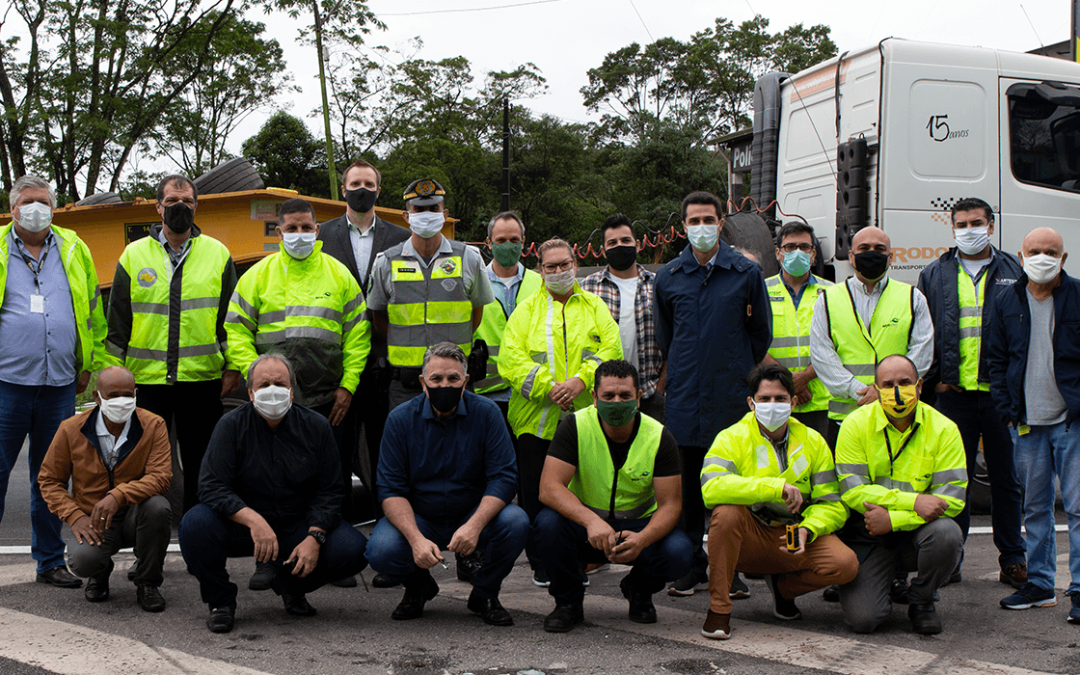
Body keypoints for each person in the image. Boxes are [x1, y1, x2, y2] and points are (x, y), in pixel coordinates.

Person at [178, 354, 368, 634]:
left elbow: (330, 490)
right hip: (245, 528)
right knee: (195, 524)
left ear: (292, 391)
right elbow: (210, 485)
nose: (272, 390)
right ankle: (221, 602)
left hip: (297, 524)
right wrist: (253, 520)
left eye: (280, 383)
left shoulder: (316, 426)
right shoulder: (230, 426)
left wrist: (315, 537)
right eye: (264, 384)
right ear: (251, 393)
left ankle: (290, 586)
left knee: (353, 549)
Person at [653, 191, 772, 597]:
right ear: (683, 226)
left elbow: (760, 336)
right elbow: (666, 337)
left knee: (731, 489)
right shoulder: (669, 277)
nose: (701, 227)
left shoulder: (745, 273)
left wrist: (734, 368)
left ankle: (731, 567)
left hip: (730, 400)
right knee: (686, 493)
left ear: (721, 223)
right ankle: (691, 567)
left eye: (709, 219)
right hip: (685, 399)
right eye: (694, 220)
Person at [225, 198, 369, 522]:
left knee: (332, 474)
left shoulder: (339, 275)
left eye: (306, 228)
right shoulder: (257, 276)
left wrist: (348, 386)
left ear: (318, 230)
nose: (300, 234)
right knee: (272, 475)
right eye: (292, 228)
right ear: (279, 232)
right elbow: (236, 330)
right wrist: (255, 374)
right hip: (273, 400)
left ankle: (334, 546)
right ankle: (274, 549)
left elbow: (358, 335)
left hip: (328, 401)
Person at [365, 342, 529, 626]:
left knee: (516, 522)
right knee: (380, 549)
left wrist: (475, 525)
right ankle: (419, 587)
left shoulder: (487, 414)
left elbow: (504, 477)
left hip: (470, 513)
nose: (445, 385)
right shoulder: (400, 420)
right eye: (436, 379)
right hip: (421, 517)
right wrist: (416, 540)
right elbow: (390, 488)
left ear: (465, 381)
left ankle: (485, 593)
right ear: (422, 382)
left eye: (453, 378)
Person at [0, 175, 109, 589]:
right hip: (6, 383)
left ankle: (48, 560)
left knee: (50, 479)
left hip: (60, 383)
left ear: (54, 206)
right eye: (27, 201)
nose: (35, 208)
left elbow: (91, 309)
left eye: (43, 201)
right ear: (12, 209)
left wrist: (89, 363)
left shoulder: (74, 247)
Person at [106, 174, 238, 515]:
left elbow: (229, 321)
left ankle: (198, 534)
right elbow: (118, 323)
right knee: (143, 465)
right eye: (172, 203)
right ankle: (146, 540)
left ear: (197, 205)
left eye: (187, 202)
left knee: (201, 465)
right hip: (146, 383)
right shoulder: (133, 255)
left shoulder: (217, 254)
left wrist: (234, 366)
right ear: (158, 207)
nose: (180, 208)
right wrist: (114, 378)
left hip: (202, 381)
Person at [699, 363, 857, 640]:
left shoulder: (814, 441)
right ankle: (719, 609)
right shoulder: (731, 438)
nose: (773, 405)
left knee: (845, 564)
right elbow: (711, 488)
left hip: (793, 535)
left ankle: (784, 590)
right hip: (751, 534)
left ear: (793, 402)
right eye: (765, 399)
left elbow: (832, 502)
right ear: (751, 403)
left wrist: (810, 528)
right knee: (726, 513)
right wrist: (774, 487)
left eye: (780, 399)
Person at [534, 359, 691, 633]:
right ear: (594, 398)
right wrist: (589, 521)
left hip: (638, 528)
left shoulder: (659, 436)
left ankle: (639, 590)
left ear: (639, 398)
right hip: (586, 528)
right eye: (608, 396)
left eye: (625, 396)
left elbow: (671, 505)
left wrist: (642, 539)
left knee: (680, 552)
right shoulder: (575, 426)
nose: (617, 402)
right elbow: (549, 488)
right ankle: (568, 603)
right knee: (546, 525)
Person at [916, 198, 1026, 589]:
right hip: (954, 395)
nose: (968, 229)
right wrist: (934, 381)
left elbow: (1023, 331)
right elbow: (923, 333)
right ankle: (952, 558)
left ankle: (1013, 559)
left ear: (991, 226)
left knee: (1007, 479)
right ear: (952, 229)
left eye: (976, 222)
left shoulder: (1014, 269)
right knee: (953, 480)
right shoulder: (935, 273)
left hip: (1000, 396)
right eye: (960, 224)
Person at [499, 238, 622, 586]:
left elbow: (610, 349)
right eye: (550, 267)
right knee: (538, 496)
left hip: (584, 422)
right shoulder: (525, 310)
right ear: (540, 270)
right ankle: (541, 564)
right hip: (535, 422)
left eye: (564, 265)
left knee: (581, 495)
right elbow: (511, 359)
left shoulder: (595, 307)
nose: (558, 272)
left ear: (575, 264)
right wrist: (550, 387)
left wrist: (581, 382)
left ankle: (578, 560)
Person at [835, 355, 966, 635]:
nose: (896, 391)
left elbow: (952, 500)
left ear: (919, 386)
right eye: (888, 384)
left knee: (947, 533)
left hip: (915, 533)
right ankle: (886, 579)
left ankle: (922, 599)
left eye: (904, 382)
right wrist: (915, 501)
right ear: (876, 388)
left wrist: (893, 520)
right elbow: (852, 491)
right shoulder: (854, 425)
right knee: (864, 620)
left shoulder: (944, 429)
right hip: (870, 534)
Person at [988, 226, 1080, 622]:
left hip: (1071, 422)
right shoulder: (1006, 298)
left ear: (1063, 258)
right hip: (1025, 423)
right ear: (1021, 256)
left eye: (1051, 251)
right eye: (1034, 250)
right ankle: (1042, 584)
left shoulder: (1078, 296)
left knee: (1078, 509)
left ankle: (1079, 590)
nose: (1042, 257)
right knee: (1036, 508)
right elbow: (996, 359)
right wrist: (1007, 409)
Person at [37, 366, 171, 611]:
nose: (121, 401)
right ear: (97, 398)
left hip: (134, 515)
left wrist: (119, 495)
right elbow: (49, 480)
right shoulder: (70, 429)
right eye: (113, 396)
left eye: (127, 395)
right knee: (83, 561)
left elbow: (161, 477)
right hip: (93, 520)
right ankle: (99, 573)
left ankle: (148, 582)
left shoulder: (153, 425)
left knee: (158, 508)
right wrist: (74, 516)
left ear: (136, 394)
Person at [317, 159, 409, 512]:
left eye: (369, 185)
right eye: (355, 184)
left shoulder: (400, 238)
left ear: (378, 191)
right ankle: (335, 520)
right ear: (343, 189)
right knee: (336, 442)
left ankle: (388, 514)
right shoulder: (321, 236)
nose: (362, 190)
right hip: (336, 361)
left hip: (386, 360)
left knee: (385, 441)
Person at [367, 178, 494, 413]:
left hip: (455, 381)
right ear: (406, 216)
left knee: (460, 448)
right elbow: (380, 320)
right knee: (408, 448)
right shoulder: (385, 262)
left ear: (444, 214)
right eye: (419, 209)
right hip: (405, 384)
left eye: (433, 209)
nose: (427, 214)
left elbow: (474, 316)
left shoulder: (470, 258)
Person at [809, 226, 934, 447]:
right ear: (851, 256)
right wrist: (857, 391)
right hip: (845, 419)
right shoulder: (828, 299)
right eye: (864, 248)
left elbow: (922, 352)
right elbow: (822, 354)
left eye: (879, 248)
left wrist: (885, 392)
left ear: (890, 257)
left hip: (899, 416)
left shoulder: (913, 298)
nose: (871, 253)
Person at [581, 214, 666, 422]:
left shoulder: (659, 285)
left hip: (650, 394)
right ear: (603, 250)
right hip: (605, 396)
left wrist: (660, 390)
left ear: (637, 245)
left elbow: (673, 340)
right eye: (612, 242)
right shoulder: (587, 289)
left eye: (625, 241)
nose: (620, 246)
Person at [762, 222, 833, 438]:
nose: (797, 252)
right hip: (775, 399)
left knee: (821, 467)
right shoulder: (761, 290)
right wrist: (788, 381)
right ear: (778, 253)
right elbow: (753, 340)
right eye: (790, 247)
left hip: (820, 400)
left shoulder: (832, 292)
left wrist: (805, 378)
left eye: (804, 247)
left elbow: (840, 342)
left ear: (813, 255)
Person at [473, 211, 543, 405]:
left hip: (532, 389)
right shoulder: (474, 283)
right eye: (501, 240)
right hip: (487, 392)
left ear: (523, 241)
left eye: (514, 240)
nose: (508, 246)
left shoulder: (540, 284)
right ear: (489, 242)